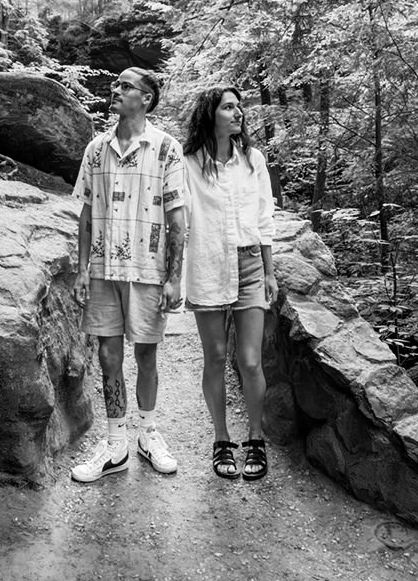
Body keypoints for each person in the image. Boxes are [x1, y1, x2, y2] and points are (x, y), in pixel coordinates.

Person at [70, 67, 188, 483]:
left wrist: (174, 278)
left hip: (147, 269)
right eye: (116, 84)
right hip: (103, 269)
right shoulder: (95, 149)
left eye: (124, 87)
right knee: (107, 356)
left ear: (147, 98)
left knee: (147, 355)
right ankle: (115, 442)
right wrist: (82, 269)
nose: (115, 91)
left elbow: (178, 219)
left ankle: (148, 434)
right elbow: (84, 213)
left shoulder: (166, 149)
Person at [182, 87, 277, 481]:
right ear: (210, 115)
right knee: (216, 358)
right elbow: (177, 217)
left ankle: (256, 439)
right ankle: (222, 439)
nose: (238, 113)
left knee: (250, 360)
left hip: (251, 264)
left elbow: (265, 217)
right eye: (228, 107)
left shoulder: (253, 160)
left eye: (240, 107)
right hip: (207, 265)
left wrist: (270, 272)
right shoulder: (188, 164)